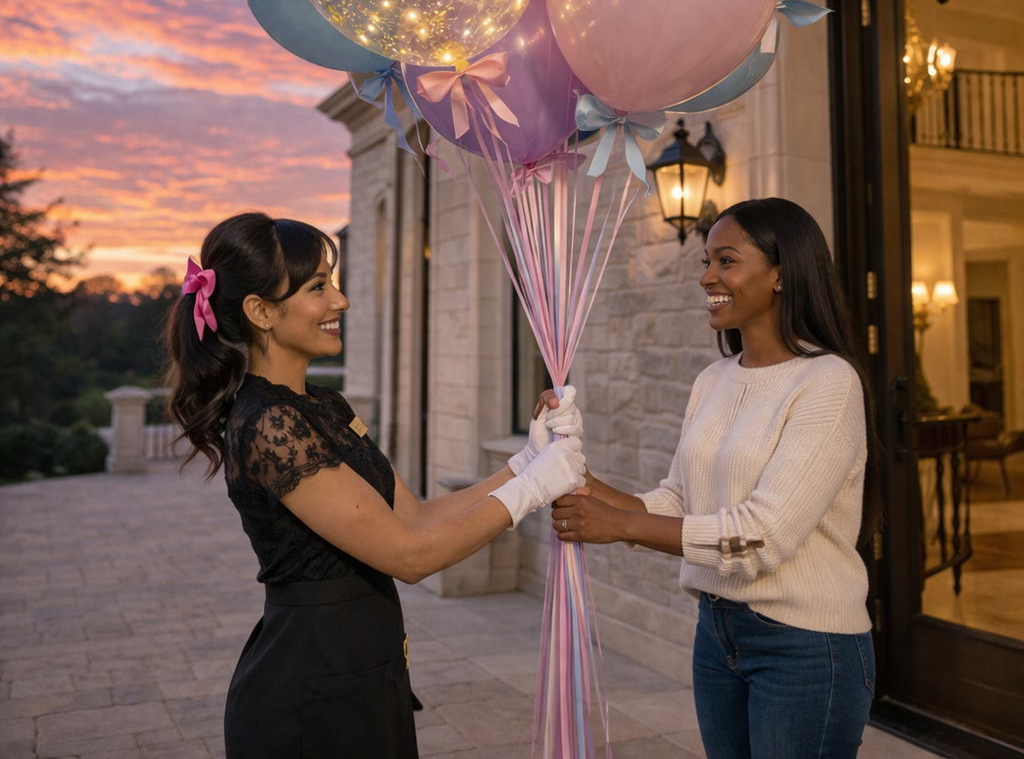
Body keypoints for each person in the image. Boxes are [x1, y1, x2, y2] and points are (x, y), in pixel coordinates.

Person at [164, 211, 585, 759]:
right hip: (311, 691)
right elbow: (408, 556)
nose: (339, 301)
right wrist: (530, 492)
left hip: (363, 671)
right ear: (261, 311)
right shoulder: (269, 424)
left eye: (333, 283)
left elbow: (411, 517)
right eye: (318, 287)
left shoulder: (325, 405)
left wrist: (523, 463)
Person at [550, 197, 880, 759]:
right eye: (707, 261)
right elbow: (677, 500)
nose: (707, 277)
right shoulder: (713, 379)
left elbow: (764, 535)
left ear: (780, 273)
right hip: (717, 635)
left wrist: (615, 524)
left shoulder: (828, 382)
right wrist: (566, 466)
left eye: (726, 260)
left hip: (805, 647)